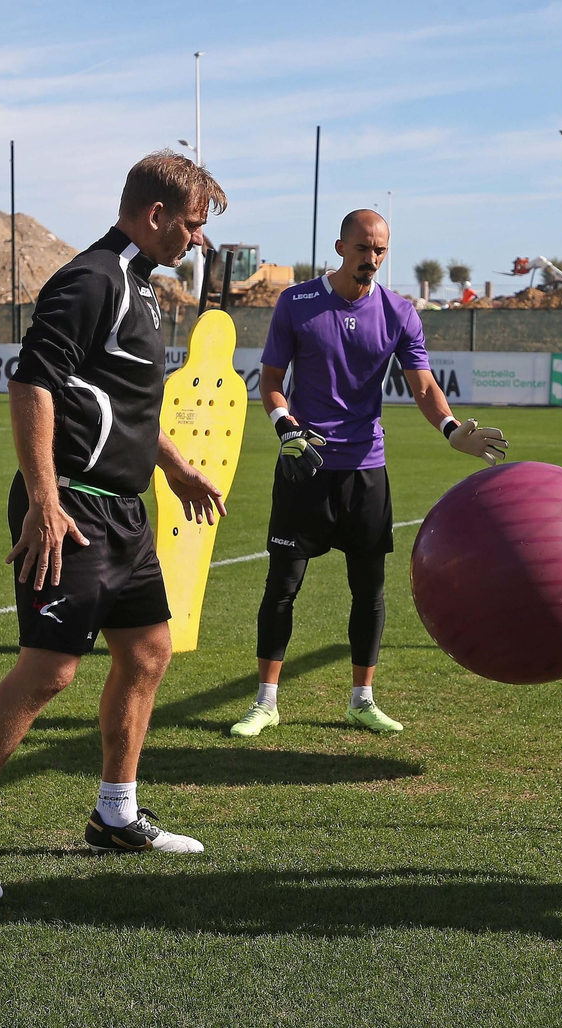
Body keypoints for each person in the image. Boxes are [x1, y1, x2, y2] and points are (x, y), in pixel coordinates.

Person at [0, 151, 228, 900]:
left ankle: (114, 815)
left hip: (123, 512)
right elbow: (33, 380)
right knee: (50, 669)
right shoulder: (91, 279)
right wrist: (44, 498)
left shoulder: (143, 289)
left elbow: (122, 401)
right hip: (71, 509)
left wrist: (174, 465)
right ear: (154, 215)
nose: (196, 241)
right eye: (190, 226)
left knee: (149, 651)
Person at [228, 209, 507, 739]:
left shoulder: (400, 312)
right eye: (363, 249)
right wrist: (286, 427)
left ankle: (362, 699)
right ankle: (265, 702)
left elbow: (423, 387)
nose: (372, 259)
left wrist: (451, 430)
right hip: (304, 464)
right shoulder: (298, 302)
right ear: (340, 248)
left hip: (365, 469)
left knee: (370, 590)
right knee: (282, 587)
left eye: (380, 250)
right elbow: (269, 381)